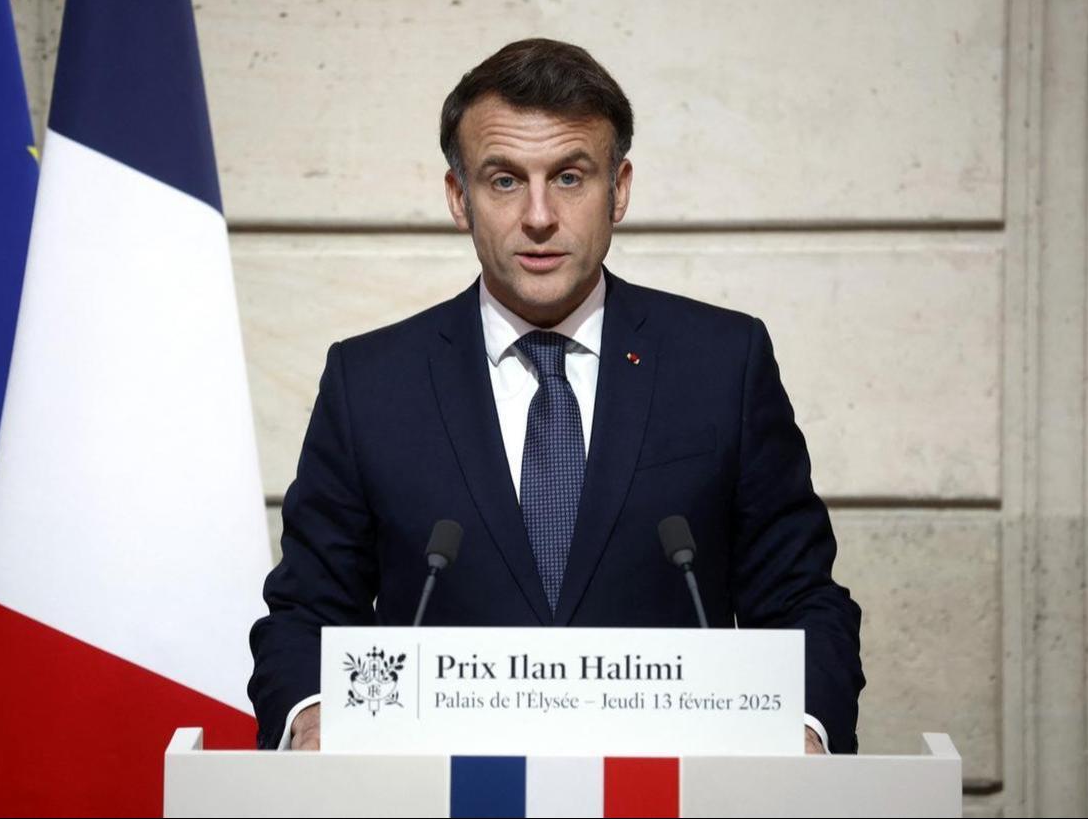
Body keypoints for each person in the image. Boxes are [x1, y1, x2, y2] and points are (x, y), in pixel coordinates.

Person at [248, 38, 864, 754]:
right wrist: (313, 717)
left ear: (620, 189)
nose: (539, 217)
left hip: (667, 790)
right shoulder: (372, 381)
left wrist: (805, 728)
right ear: (459, 197)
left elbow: (799, 598)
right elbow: (306, 608)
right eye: (504, 180)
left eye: (570, 177)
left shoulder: (722, 363)